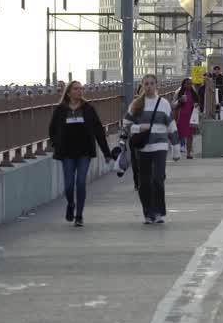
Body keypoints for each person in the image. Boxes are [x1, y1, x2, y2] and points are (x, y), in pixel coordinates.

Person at [48, 81, 113, 227]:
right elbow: (52, 129)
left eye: (81, 89)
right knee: (69, 185)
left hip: (84, 152)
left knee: (81, 182)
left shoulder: (88, 109)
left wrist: (106, 153)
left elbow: (98, 131)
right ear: (69, 92)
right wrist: (55, 143)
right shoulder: (61, 110)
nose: (79, 91)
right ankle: (71, 204)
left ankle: (79, 215)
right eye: (76, 89)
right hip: (67, 153)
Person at [120, 74, 180, 225]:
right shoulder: (136, 104)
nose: (149, 86)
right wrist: (139, 127)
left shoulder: (164, 103)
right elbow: (126, 124)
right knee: (144, 182)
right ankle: (148, 213)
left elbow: (171, 125)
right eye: (146, 84)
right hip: (143, 147)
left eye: (152, 83)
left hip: (160, 146)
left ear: (156, 85)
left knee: (158, 178)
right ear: (142, 86)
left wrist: (176, 147)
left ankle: (159, 212)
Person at [174, 77, 201, 159]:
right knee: (178, 135)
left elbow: (198, 103)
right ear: (183, 84)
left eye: (190, 84)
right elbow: (173, 104)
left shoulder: (193, 93)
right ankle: (176, 152)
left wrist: (196, 105)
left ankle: (188, 153)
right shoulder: (179, 92)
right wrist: (179, 101)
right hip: (181, 117)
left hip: (190, 117)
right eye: (187, 84)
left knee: (190, 136)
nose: (189, 85)